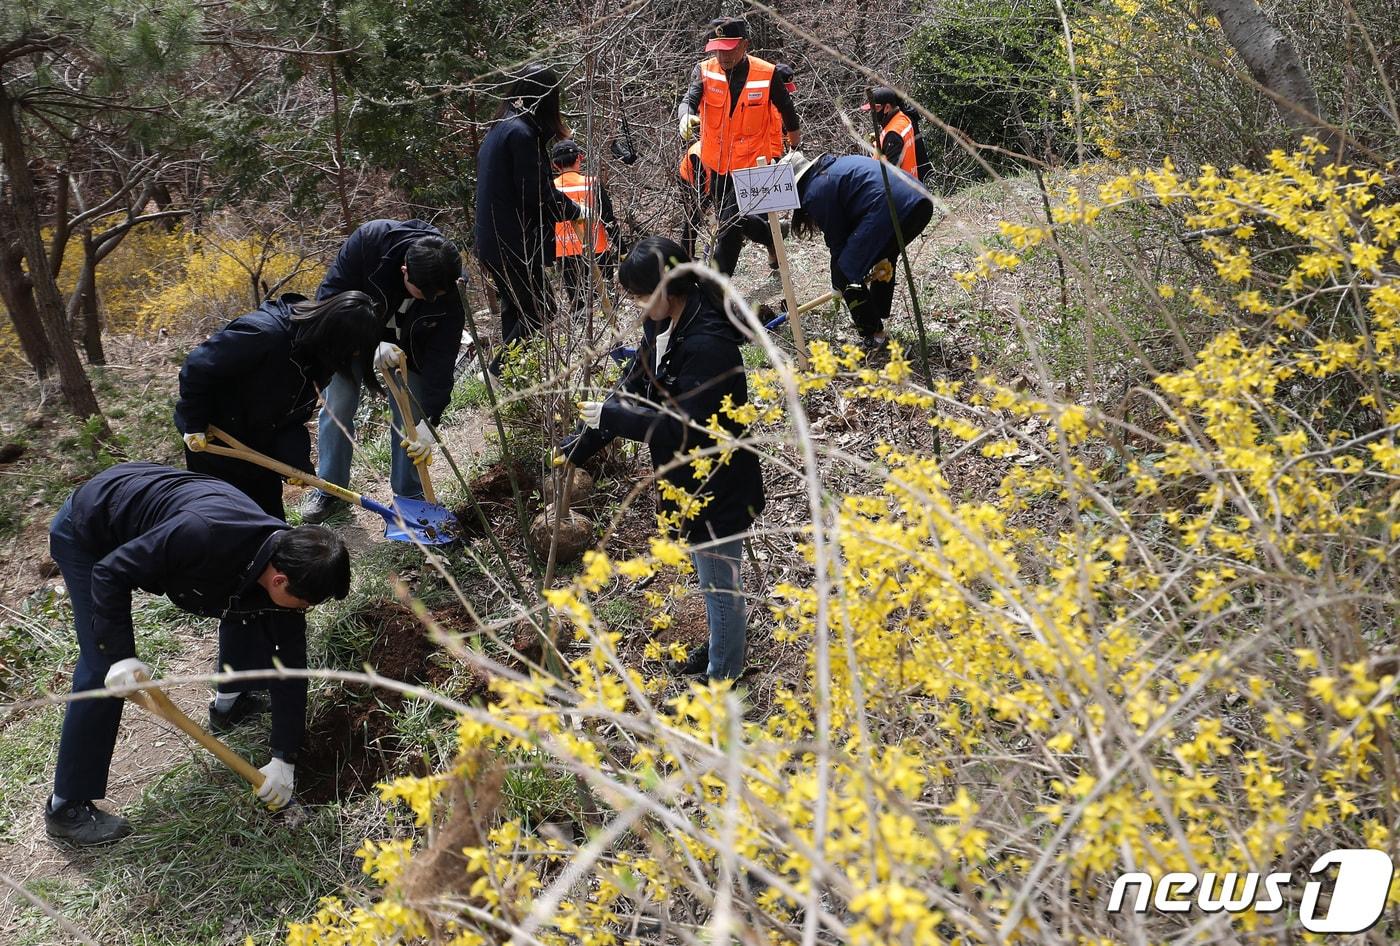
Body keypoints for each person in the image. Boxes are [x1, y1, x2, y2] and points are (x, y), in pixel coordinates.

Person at [44, 462, 352, 845]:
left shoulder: (279, 559)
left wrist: (284, 757)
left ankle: (230, 703)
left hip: (154, 516)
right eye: (304, 603)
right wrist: (120, 655)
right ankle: (66, 806)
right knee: (99, 666)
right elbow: (110, 573)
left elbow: (289, 663)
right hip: (90, 529)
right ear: (280, 579)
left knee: (250, 609)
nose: (304, 610)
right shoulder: (203, 535)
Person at [557, 237, 765, 682]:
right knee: (708, 576)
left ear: (669, 288)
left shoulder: (709, 343)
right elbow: (636, 384)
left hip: (719, 482)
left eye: (639, 295)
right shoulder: (665, 323)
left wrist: (613, 415)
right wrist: (582, 443)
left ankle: (723, 677)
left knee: (719, 587)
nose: (635, 305)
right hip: (685, 480)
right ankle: (719, 649)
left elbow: (682, 425)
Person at [299, 220, 464, 524]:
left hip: (409, 353)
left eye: (436, 295)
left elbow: (441, 361)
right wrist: (369, 342)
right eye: (422, 293)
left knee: (411, 416)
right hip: (349, 338)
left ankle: (409, 497)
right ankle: (330, 490)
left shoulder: (446, 286)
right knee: (340, 403)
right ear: (404, 270)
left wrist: (430, 424)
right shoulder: (369, 244)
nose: (430, 300)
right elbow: (328, 301)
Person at [175, 291, 382, 518]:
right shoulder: (264, 335)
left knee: (270, 522)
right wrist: (194, 423)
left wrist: (296, 461)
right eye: (352, 350)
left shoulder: (319, 360)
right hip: (214, 439)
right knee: (225, 521)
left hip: (258, 444)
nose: (352, 356)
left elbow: (290, 416)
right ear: (335, 336)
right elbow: (198, 367)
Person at [474, 63, 581, 375]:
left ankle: (518, 379)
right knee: (540, 310)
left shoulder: (502, 126)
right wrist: (575, 212)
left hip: (495, 240)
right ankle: (496, 374)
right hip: (512, 242)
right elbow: (537, 195)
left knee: (516, 310)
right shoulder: (521, 135)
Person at [677, 17, 800, 276]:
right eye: (718, 49)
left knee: (730, 224)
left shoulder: (766, 74)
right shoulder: (704, 70)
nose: (723, 55)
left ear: (745, 44)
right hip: (717, 164)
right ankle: (771, 237)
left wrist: (794, 144)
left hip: (752, 164)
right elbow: (690, 98)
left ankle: (719, 286)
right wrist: (685, 116)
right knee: (735, 219)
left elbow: (786, 109)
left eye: (730, 48)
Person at [784, 151, 935, 352]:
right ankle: (877, 312)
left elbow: (838, 243)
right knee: (882, 257)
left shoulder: (815, 190)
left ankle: (875, 335)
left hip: (893, 207)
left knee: (844, 271)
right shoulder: (833, 169)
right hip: (919, 202)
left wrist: (839, 282)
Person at [550, 138, 618, 315]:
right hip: (598, 248)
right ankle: (613, 336)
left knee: (579, 304)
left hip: (566, 251)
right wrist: (621, 246)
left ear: (555, 165)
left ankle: (582, 338)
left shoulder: (550, 190)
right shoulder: (592, 183)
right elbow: (608, 218)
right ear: (579, 158)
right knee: (607, 299)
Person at [864, 85, 918, 179]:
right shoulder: (902, 118)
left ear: (887, 107)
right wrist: (880, 143)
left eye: (875, 109)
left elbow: (890, 175)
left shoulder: (893, 134)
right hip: (911, 183)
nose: (872, 113)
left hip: (900, 190)